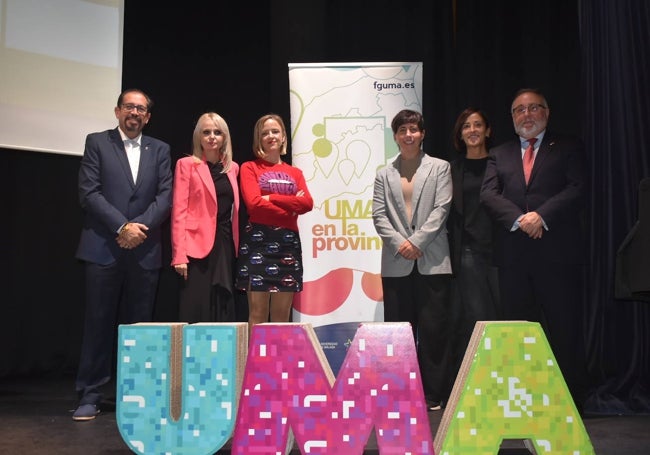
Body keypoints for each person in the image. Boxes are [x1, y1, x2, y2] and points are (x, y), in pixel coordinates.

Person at [480, 88, 589, 408]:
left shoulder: (568, 146)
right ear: (512, 117)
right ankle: (522, 401)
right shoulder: (499, 153)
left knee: (564, 328)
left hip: (558, 255)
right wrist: (519, 219)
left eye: (533, 108)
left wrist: (542, 216)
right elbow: (488, 195)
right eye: (519, 110)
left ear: (547, 112)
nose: (526, 115)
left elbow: (579, 187)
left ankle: (569, 402)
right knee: (517, 331)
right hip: (514, 257)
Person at [74, 88, 173, 420]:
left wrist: (139, 228)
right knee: (98, 324)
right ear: (117, 111)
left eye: (141, 108)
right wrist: (122, 227)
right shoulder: (97, 142)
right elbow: (89, 192)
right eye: (129, 106)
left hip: (145, 249)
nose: (135, 112)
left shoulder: (160, 149)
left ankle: (137, 393)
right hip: (103, 246)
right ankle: (90, 393)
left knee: (140, 327)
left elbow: (165, 196)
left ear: (148, 116)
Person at [372, 109, 453, 411]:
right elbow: (379, 215)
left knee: (434, 331)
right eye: (402, 130)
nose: (408, 135)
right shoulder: (384, 173)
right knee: (398, 332)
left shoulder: (440, 168)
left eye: (414, 129)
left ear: (423, 134)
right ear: (395, 136)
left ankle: (433, 394)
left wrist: (416, 242)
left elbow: (442, 209)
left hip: (433, 261)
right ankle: (399, 392)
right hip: (396, 264)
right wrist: (400, 244)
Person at [235, 114, 313, 331]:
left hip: (287, 243)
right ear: (258, 138)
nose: (270, 136)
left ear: (283, 136)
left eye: (275, 131)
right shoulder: (249, 167)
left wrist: (273, 198)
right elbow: (254, 204)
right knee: (257, 313)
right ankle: (256, 363)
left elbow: (307, 203)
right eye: (265, 132)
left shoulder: (295, 172)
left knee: (281, 316)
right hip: (257, 243)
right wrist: (290, 205)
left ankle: (278, 365)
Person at [171, 112, 240, 322]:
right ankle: (194, 354)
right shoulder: (186, 165)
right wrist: (179, 254)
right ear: (198, 137)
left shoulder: (233, 168)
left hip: (224, 243)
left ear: (224, 137)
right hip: (195, 246)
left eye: (217, 132)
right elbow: (178, 211)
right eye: (206, 132)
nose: (212, 137)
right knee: (197, 306)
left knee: (223, 304)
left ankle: (223, 355)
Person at [447, 108, 500, 374]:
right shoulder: (452, 169)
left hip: (501, 250)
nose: (472, 130)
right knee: (478, 316)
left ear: (488, 130)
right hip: (467, 249)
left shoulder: (500, 163)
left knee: (502, 315)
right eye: (466, 126)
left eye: (478, 124)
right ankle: (481, 377)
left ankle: (499, 375)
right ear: (460, 133)